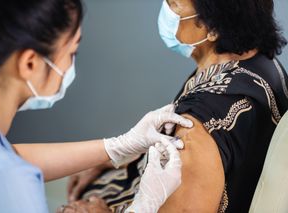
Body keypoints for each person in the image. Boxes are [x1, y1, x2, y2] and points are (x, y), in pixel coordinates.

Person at [0, 0, 194, 212]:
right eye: (71, 52)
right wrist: (142, 207)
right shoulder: (8, 183)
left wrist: (117, 146)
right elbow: (4, 170)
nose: (71, 65)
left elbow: (8, 155)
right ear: (30, 63)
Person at [67, 0, 288, 212]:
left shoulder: (196, 128)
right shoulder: (260, 64)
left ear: (212, 27)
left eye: (173, 4)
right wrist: (118, 157)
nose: (165, 9)